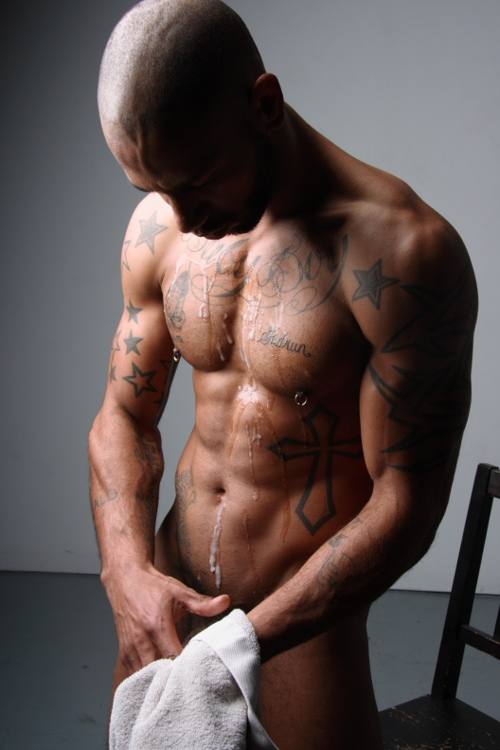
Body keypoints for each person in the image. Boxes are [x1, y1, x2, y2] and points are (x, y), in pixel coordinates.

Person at [88, 0, 478, 747]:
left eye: (200, 180)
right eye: (155, 190)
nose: (182, 217)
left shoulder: (402, 253)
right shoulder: (161, 229)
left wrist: (242, 642)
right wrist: (126, 573)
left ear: (264, 104)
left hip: (302, 627)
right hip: (170, 600)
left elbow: (407, 502)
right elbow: (123, 416)